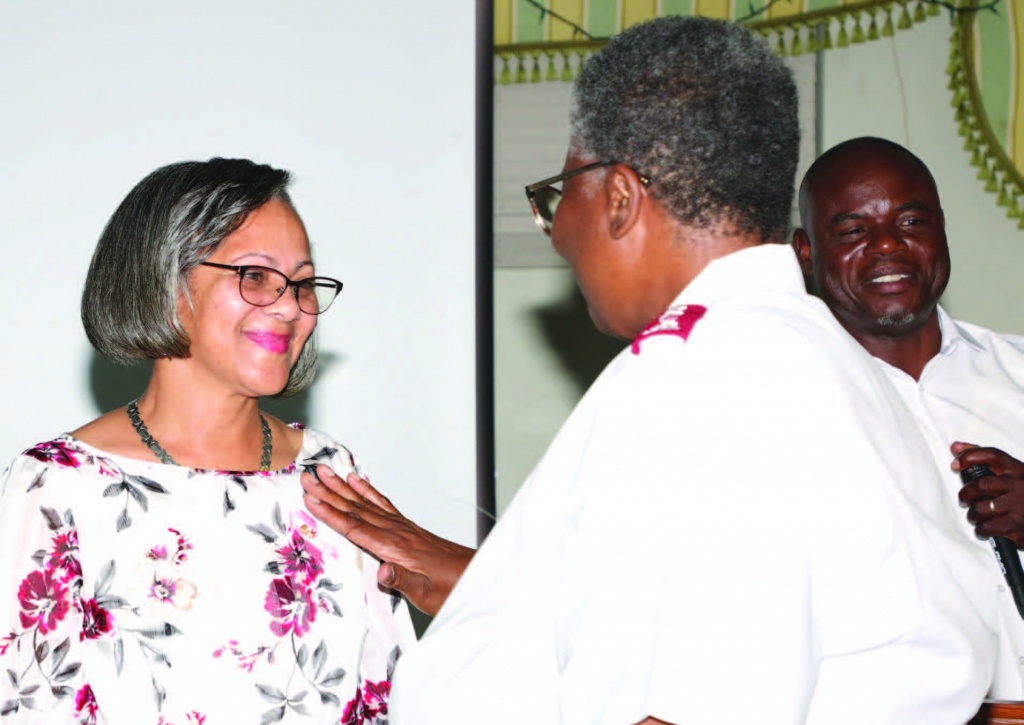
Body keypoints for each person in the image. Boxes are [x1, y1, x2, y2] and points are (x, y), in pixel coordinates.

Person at [305, 16, 1000, 724]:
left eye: (558, 196)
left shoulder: (712, 371)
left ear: (618, 198)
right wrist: (486, 589)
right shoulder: (829, 363)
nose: (560, 233)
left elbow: (707, 703)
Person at [0, 158, 414, 723]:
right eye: (255, 276)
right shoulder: (57, 488)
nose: (292, 306)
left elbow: (388, 694)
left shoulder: (330, 473)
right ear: (165, 283)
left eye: (302, 283)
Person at [792, 135, 1024, 698]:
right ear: (805, 253)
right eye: (851, 232)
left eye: (913, 221)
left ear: (942, 230)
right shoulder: (785, 406)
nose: (888, 245)